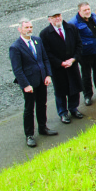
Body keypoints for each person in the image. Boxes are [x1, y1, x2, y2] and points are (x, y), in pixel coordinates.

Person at [10, 19, 57, 147]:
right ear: (20, 29)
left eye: (30, 27)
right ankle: (29, 135)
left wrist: (48, 75)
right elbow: (17, 69)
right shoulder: (15, 47)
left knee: (42, 105)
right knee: (29, 109)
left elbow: (45, 58)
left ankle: (43, 127)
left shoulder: (37, 40)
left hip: (41, 79)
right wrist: (25, 85)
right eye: (26, 27)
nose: (29, 29)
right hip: (29, 83)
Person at [39, 11, 84, 124]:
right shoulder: (45, 34)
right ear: (49, 19)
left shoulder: (71, 28)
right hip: (58, 68)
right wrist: (60, 63)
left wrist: (73, 59)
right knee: (60, 91)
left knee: (74, 87)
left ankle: (74, 108)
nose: (57, 18)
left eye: (58, 16)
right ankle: (63, 113)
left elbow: (79, 44)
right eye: (54, 17)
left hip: (72, 64)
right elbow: (46, 53)